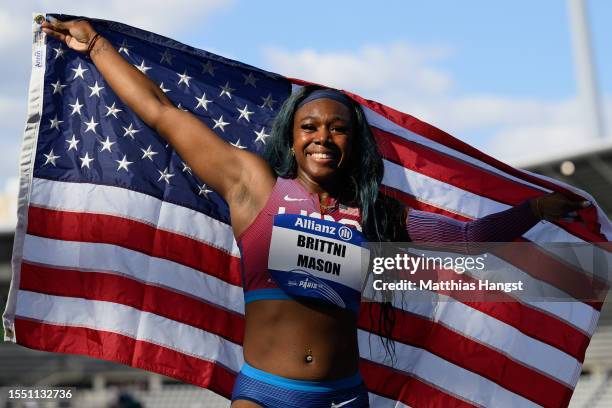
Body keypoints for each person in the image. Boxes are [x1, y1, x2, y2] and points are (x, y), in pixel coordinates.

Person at [42, 17, 591, 408]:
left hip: (342, 398)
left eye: (337, 128)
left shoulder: (378, 216)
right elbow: (163, 113)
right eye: (310, 126)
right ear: (293, 136)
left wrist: (536, 208)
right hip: (265, 393)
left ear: (354, 143)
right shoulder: (254, 186)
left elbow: (469, 238)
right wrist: (97, 49)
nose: (322, 137)